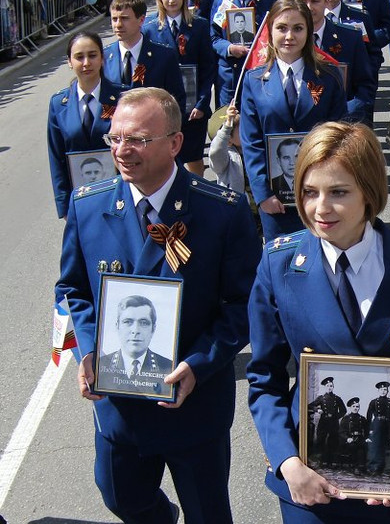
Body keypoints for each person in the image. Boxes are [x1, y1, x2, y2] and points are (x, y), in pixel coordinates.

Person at [61, 87, 261, 523]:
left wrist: (198, 364)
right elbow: (71, 291)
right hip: (120, 404)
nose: (122, 150)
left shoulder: (220, 212)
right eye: (115, 138)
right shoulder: (89, 206)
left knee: (208, 514)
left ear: (175, 143)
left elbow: (244, 304)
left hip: (193, 404)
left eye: (137, 139)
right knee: (122, 499)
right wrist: (87, 350)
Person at [246, 122, 390, 522]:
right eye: (309, 192)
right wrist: (287, 461)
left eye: (338, 192)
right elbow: (264, 378)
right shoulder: (279, 264)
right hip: (308, 479)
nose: (320, 208)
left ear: (369, 191)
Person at [239, 0, 347, 241]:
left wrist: (333, 187)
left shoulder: (329, 77)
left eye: (298, 28)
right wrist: (262, 194)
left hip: (320, 192)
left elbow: (339, 136)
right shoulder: (254, 80)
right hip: (274, 198)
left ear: (309, 32)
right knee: (281, 256)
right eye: (282, 28)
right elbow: (251, 142)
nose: (289, 36)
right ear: (270, 32)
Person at [143, 0, 217, 175]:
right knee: (166, 156)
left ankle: (195, 191)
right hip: (164, 105)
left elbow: (208, 67)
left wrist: (202, 103)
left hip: (193, 105)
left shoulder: (199, 25)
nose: (171, 0)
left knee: (193, 157)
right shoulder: (149, 29)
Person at [47, 32, 122, 218]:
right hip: (80, 199)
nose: (86, 62)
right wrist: (64, 206)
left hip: (120, 194)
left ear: (102, 58)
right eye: (79, 57)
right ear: (69, 61)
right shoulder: (59, 104)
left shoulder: (122, 97)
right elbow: (56, 157)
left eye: (92, 55)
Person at [292, 0, 376, 125]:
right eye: (303, 2)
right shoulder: (286, 42)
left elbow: (365, 86)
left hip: (341, 123)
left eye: (315, 1)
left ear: (326, 0)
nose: (309, 7)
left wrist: (346, 114)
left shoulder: (350, 37)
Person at [211, 0, 280, 106]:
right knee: (229, 118)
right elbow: (214, 37)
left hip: (261, 72)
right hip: (230, 74)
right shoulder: (222, 1)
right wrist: (229, 48)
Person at [101, 0, 186, 113]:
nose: (118, 25)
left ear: (141, 20)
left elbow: (177, 101)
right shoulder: (104, 57)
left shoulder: (164, 56)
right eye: (114, 19)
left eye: (125, 18)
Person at [97, 295, 174, 394]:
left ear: (153, 329)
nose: (135, 330)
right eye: (128, 322)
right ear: (117, 326)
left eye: (144, 323)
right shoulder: (100, 366)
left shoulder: (169, 369)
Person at [307, 377, 347, 467]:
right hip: (323, 422)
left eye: (331, 386)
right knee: (320, 441)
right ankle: (319, 461)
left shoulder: (337, 398)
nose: (329, 387)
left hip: (333, 423)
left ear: (333, 387)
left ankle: (330, 462)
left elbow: (343, 410)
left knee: (332, 442)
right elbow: (310, 406)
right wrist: (317, 410)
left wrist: (335, 416)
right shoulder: (321, 398)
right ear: (325, 387)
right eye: (328, 386)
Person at [366, 381, 390, 476]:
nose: (383, 391)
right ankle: (374, 468)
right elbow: (369, 417)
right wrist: (370, 429)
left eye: (385, 389)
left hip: (388, 425)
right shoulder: (374, 402)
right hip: (377, 425)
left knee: (386, 445)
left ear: (387, 391)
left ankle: (385, 469)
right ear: (378, 391)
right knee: (376, 446)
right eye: (381, 389)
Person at [338, 397, 368, 474]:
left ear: (359, 408)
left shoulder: (362, 419)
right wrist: (347, 438)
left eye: (357, 406)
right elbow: (341, 432)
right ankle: (355, 467)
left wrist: (366, 438)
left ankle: (363, 466)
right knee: (353, 446)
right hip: (349, 440)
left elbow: (366, 430)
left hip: (360, 438)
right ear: (350, 408)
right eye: (353, 406)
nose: (355, 408)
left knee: (365, 446)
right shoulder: (346, 418)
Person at [270, 138, 300, 204]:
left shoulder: (313, 182)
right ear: (279, 161)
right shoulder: (271, 185)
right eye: (286, 158)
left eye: (296, 156)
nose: (292, 163)